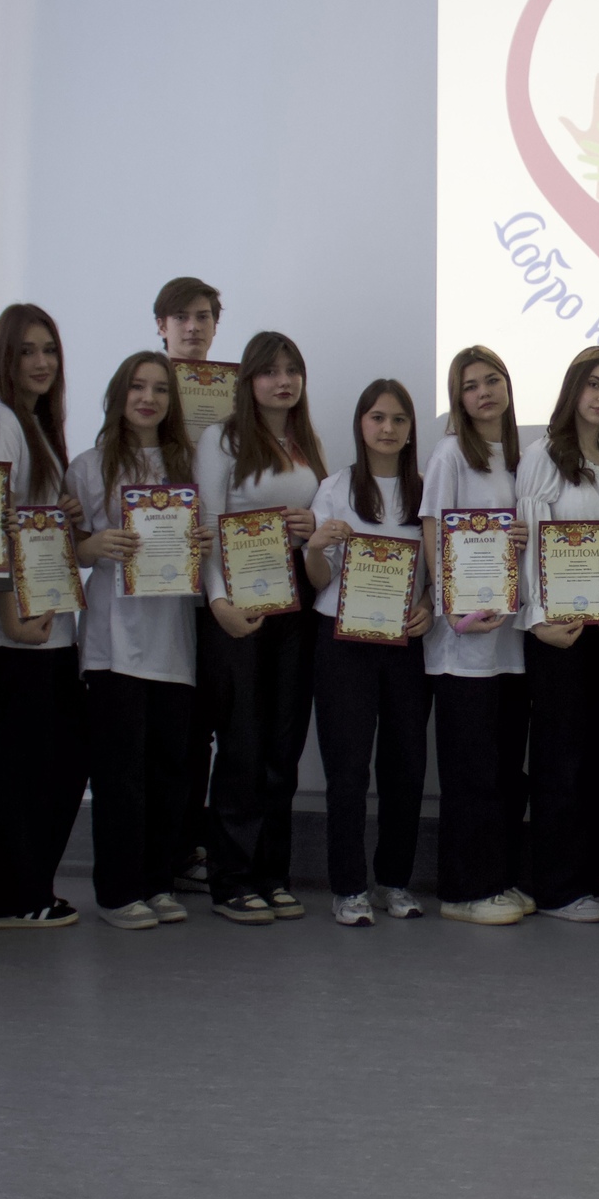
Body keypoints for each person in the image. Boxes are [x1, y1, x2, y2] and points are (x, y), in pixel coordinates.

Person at [70, 352, 205, 930]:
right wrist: (90, 547)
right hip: (113, 642)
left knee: (170, 769)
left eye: (160, 389)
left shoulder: (189, 465)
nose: (148, 398)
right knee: (119, 774)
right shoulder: (88, 465)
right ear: (118, 395)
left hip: (172, 638)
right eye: (137, 387)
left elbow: (206, 538)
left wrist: (201, 542)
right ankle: (118, 891)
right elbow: (63, 548)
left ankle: (157, 882)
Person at [0, 304, 88, 931]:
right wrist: (11, 617)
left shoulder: (34, 424)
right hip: (20, 631)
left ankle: (25, 887)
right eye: (26, 352)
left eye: (50, 350)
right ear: (3, 360)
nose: (42, 363)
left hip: (48, 623)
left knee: (52, 761)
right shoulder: (2, 422)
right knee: (19, 766)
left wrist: (63, 514)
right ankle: (3, 896)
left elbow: (26, 518)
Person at [195, 331, 323, 925]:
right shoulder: (221, 439)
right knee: (242, 742)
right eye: (270, 371)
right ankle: (232, 878)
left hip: (295, 601)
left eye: (292, 370)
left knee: (283, 742)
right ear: (248, 381)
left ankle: (273, 874)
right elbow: (206, 525)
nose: (283, 381)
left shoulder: (305, 442)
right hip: (239, 600)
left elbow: (320, 520)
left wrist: (312, 523)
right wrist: (217, 600)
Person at [308, 381, 438, 926]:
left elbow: (436, 571)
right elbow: (319, 580)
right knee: (347, 768)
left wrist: (428, 606)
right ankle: (348, 888)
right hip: (343, 644)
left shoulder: (426, 490)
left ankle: (394, 881)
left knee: (405, 766)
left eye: (399, 419)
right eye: (377, 417)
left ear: (411, 429)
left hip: (405, 645)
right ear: (361, 423)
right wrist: (315, 547)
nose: (388, 428)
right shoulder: (335, 488)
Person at [517, 347, 599, 922]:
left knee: (594, 757)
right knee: (559, 758)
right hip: (558, 631)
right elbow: (530, 544)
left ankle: (586, 879)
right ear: (573, 388)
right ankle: (556, 888)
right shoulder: (543, 455)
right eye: (594, 384)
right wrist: (539, 618)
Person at [420, 345, 533, 925]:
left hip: (509, 645)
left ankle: (500, 878)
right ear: (457, 398)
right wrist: (453, 610)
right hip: (463, 645)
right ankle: (464, 891)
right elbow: (433, 533)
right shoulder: (450, 455)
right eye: (471, 386)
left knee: (504, 770)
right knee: (470, 773)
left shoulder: (521, 457)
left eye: (492, 380)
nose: (484, 392)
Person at [156, 274, 225, 897]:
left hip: (215, 588)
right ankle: (163, 851)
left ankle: (188, 845)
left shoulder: (231, 400)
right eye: (182, 317)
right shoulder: (145, 389)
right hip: (156, 587)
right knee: (169, 729)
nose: (194, 327)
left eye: (203, 316)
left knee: (203, 724)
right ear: (162, 326)